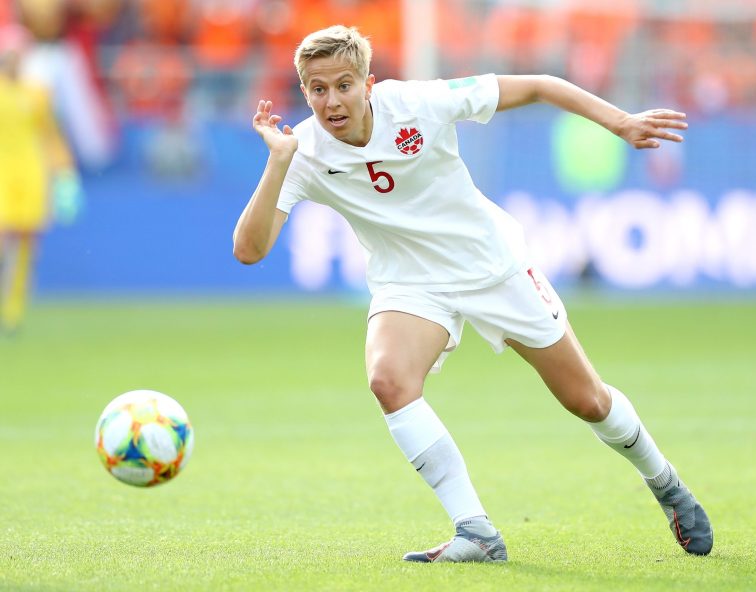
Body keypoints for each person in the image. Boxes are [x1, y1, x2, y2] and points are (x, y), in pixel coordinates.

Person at [233, 25, 713, 562]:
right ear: (304, 92)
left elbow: (537, 85)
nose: (332, 101)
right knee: (388, 381)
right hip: (410, 283)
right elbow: (249, 250)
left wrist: (620, 121)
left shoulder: (418, 103)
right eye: (317, 90)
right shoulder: (301, 152)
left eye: (344, 85)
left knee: (587, 400)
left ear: (369, 82)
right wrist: (277, 162)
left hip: (492, 267)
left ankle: (664, 480)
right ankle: (475, 531)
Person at [0, 23, 83, 335]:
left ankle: (13, 313)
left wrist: (65, 173)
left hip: (32, 174)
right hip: (2, 175)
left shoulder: (37, 94)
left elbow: (51, 136)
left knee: (26, 245)